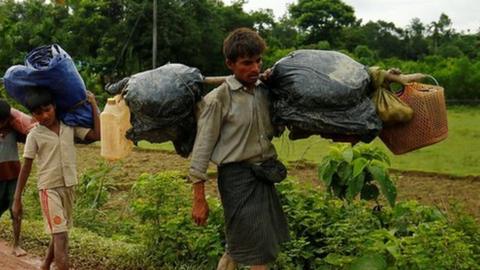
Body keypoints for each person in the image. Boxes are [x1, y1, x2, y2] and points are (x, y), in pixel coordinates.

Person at [189, 28, 289, 270]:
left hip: (263, 176)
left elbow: (275, 128)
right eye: (246, 63)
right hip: (237, 179)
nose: (254, 68)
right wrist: (199, 199)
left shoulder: (265, 93)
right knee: (257, 253)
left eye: (258, 61)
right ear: (230, 64)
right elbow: (202, 149)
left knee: (239, 245)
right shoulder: (218, 99)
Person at [12, 88, 100, 270]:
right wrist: (17, 198)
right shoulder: (34, 135)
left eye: (47, 109)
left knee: (60, 231)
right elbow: (26, 167)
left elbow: (96, 136)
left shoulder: (69, 126)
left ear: (55, 107)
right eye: (38, 113)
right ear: (33, 116)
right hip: (48, 188)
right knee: (61, 236)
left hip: (69, 186)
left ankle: (45, 265)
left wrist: (93, 104)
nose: (44, 115)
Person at [0, 99, 27, 257]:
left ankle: (17, 244)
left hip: (14, 177)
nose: (2, 123)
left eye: (4, 120)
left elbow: (29, 133)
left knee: (16, 210)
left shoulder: (13, 129)